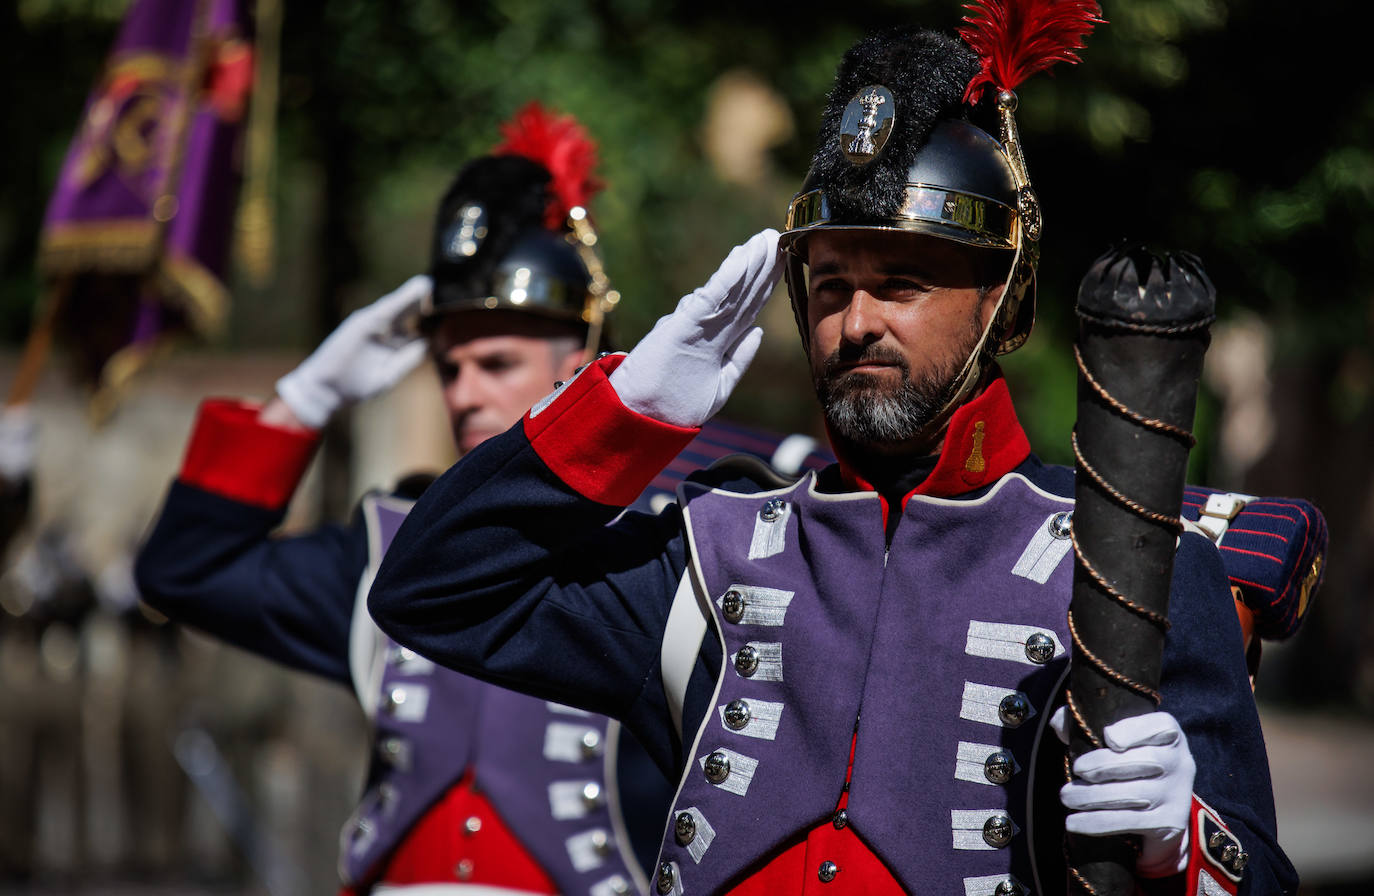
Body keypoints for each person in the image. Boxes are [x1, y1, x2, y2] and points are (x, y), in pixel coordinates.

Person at [367, 22, 1324, 896]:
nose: (856, 323)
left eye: (900, 281)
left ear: (1004, 300)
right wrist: (626, 411)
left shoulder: (1139, 566)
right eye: (830, 285)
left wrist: (1188, 850)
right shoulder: (709, 555)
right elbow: (432, 589)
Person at [134, 104, 830, 896]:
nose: (463, 393)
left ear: (582, 362)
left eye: (496, 362)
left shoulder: (672, 555)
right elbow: (182, 572)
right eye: (448, 367)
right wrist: (307, 397)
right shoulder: (391, 544)